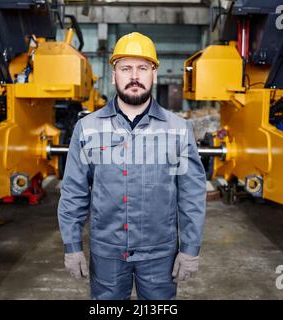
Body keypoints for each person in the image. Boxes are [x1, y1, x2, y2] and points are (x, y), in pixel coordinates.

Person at [58, 32, 207, 300]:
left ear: (154, 74)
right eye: (126, 68)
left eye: (143, 68)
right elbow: (73, 192)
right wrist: (72, 246)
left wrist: (190, 249)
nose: (134, 76)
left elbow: (192, 196)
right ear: (114, 73)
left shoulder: (178, 129)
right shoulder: (88, 128)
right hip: (107, 254)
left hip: (160, 255)